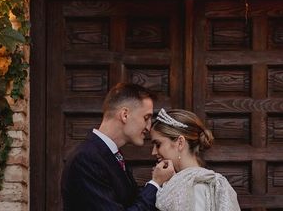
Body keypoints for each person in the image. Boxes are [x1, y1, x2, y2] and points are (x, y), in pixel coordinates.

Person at [61, 82, 175, 211]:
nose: (149, 127)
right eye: (146, 118)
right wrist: (155, 184)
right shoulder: (86, 159)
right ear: (125, 115)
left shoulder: (112, 156)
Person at [150, 108, 241, 211]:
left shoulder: (196, 186)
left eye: (158, 144)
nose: (153, 152)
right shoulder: (180, 182)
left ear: (180, 143)